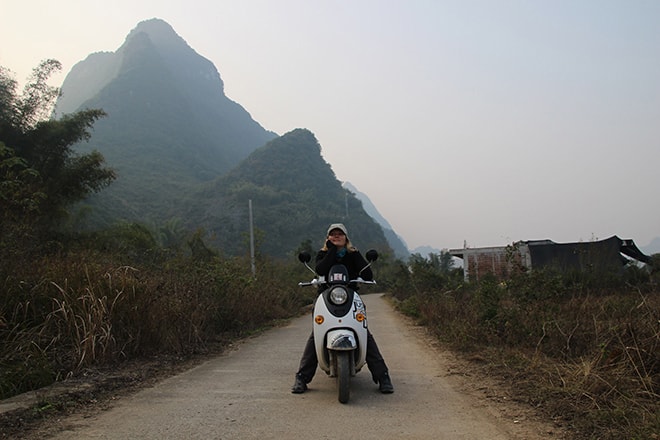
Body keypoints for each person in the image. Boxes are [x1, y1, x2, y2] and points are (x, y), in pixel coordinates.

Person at [291, 223, 394, 394]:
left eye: (340, 234)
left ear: (346, 237)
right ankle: (301, 377)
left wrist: (355, 254)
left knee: (364, 332)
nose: (336, 236)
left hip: (351, 296)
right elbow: (320, 270)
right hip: (325, 297)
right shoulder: (323, 253)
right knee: (316, 334)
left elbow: (367, 275)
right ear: (328, 238)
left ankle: (383, 376)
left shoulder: (353, 254)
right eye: (333, 234)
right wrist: (331, 250)